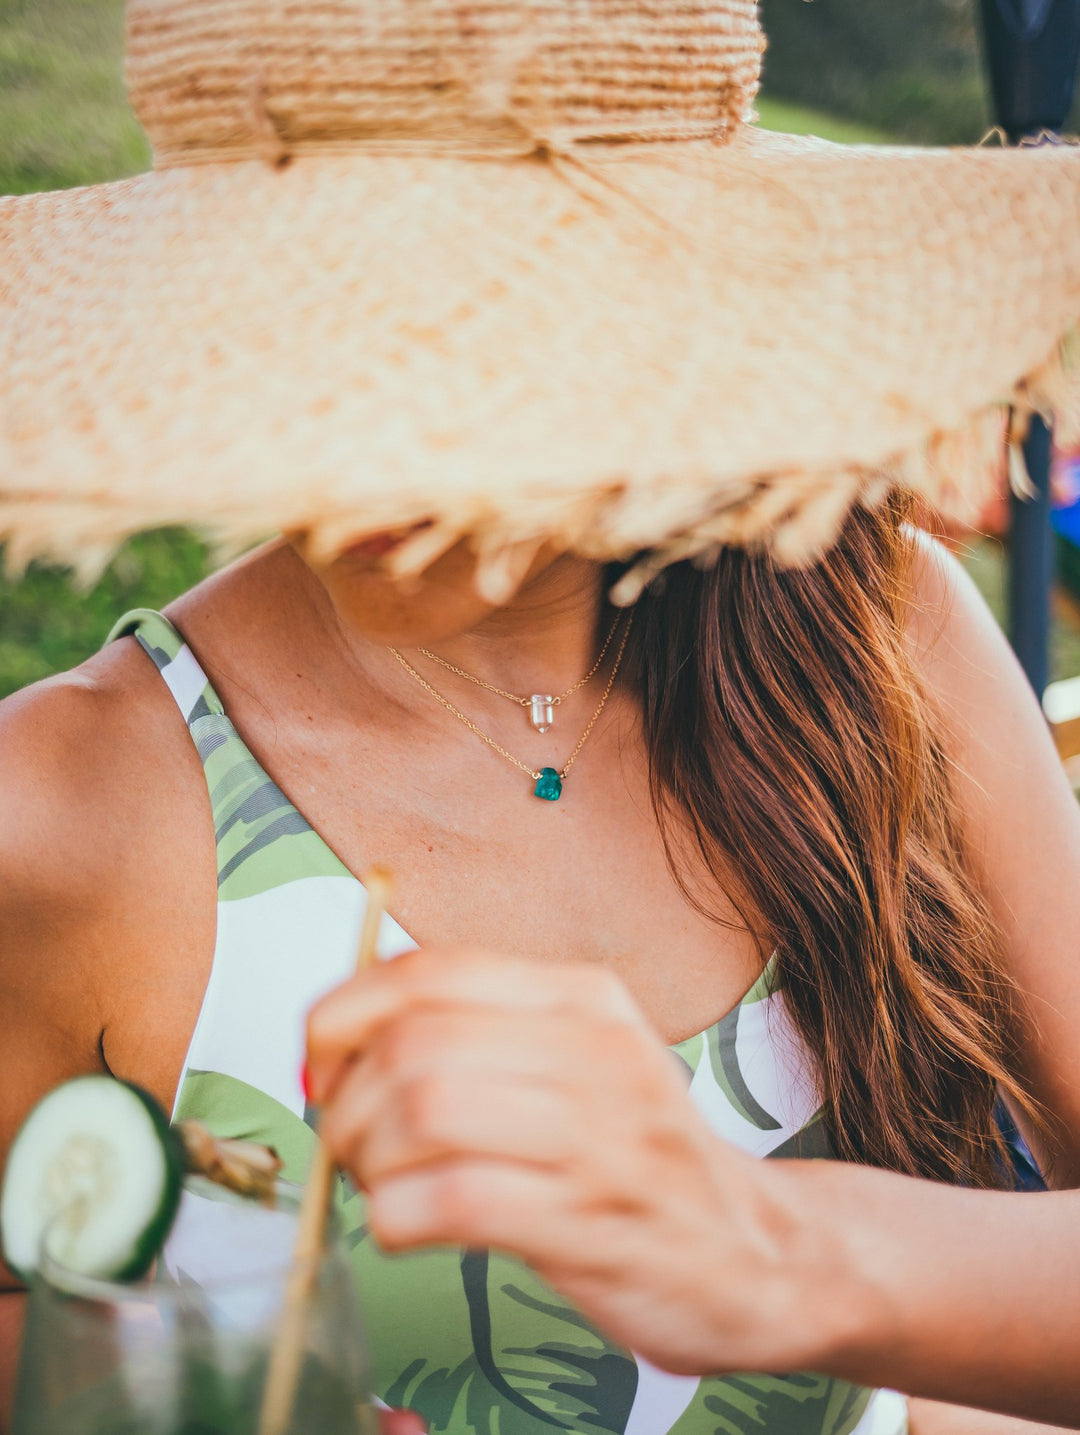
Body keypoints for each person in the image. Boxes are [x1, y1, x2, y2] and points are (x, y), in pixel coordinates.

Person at [2, 2, 1080, 1433]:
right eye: (289, 323)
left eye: (469, 333)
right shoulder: (62, 807)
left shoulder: (884, 636)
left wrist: (772, 1252)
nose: (362, 439)